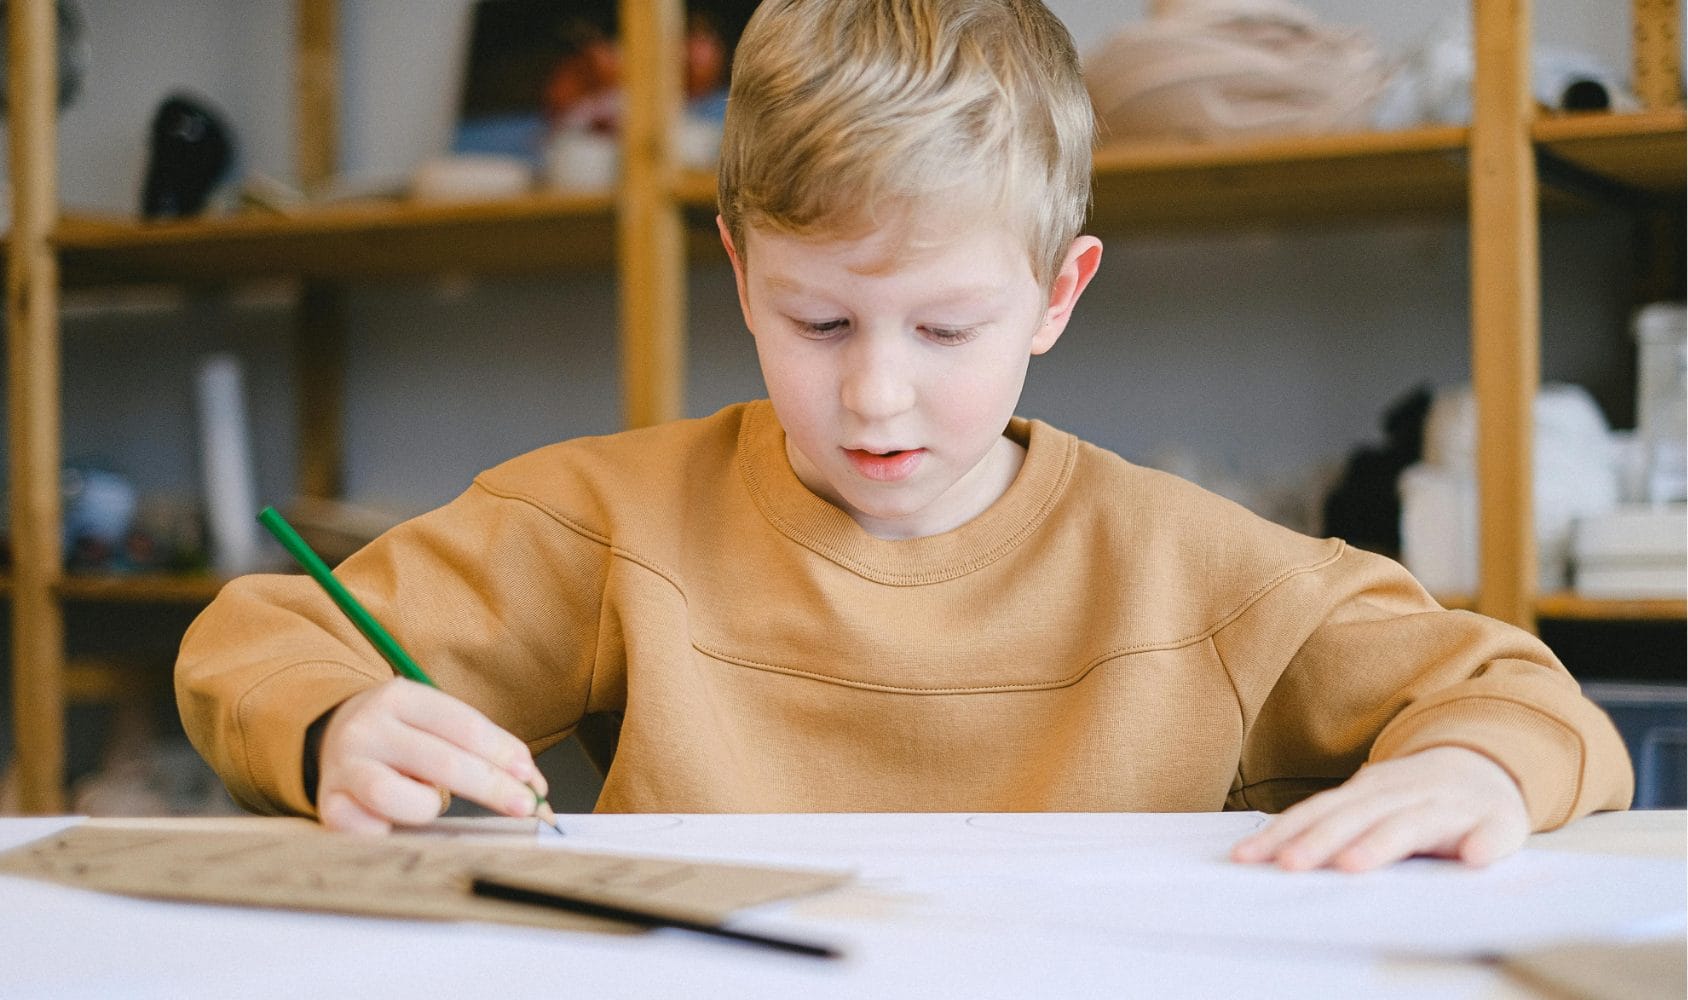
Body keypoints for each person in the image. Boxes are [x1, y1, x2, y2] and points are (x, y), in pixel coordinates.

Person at [176, 0, 1631, 872]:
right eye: (819, 325)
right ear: (742, 273)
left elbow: (1529, 698)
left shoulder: (1195, 571)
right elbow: (258, 644)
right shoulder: (615, 520)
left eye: (944, 332)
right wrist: (338, 723)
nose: (877, 396)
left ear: (1058, 295)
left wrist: (1475, 773)